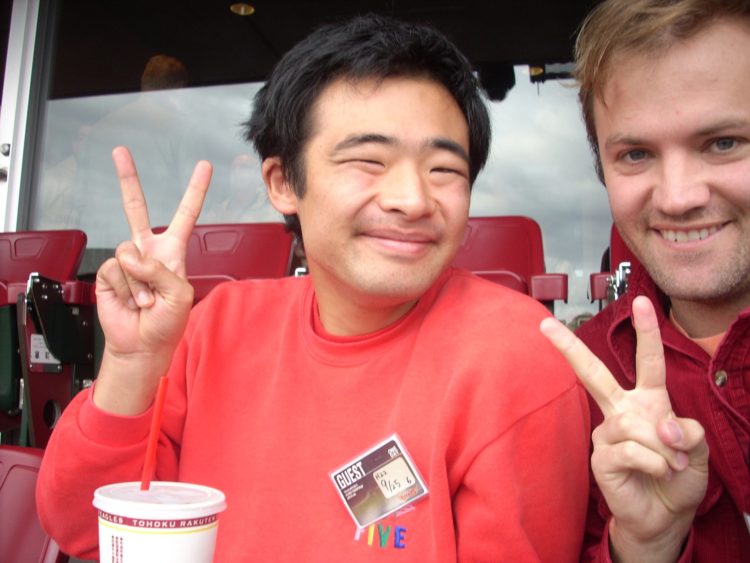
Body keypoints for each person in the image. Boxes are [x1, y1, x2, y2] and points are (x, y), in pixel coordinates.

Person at [37, 14, 590, 561]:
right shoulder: (218, 326)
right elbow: (86, 528)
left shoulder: (514, 358)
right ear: (283, 183)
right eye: (368, 161)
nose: (413, 199)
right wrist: (132, 366)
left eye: (444, 169)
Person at [540, 0, 750, 561]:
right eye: (636, 154)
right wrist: (644, 545)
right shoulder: (578, 382)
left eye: (723, 143)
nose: (679, 197)